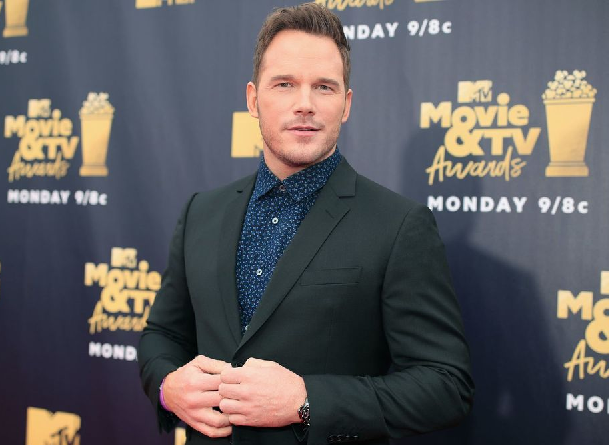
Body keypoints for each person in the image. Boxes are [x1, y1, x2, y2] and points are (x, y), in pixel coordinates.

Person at [138, 4, 473, 444]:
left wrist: (307, 400)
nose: (304, 104)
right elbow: (162, 334)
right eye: (285, 84)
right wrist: (168, 387)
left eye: (324, 87)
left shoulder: (399, 226)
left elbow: (446, 385)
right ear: (253, 99)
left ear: (346, 105)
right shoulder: (202, 211)